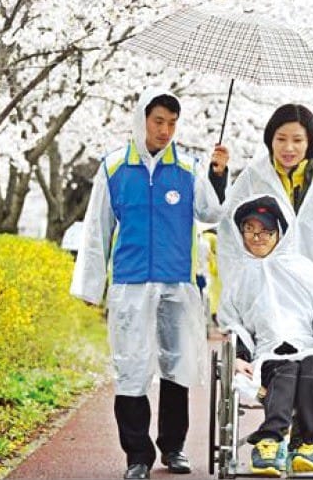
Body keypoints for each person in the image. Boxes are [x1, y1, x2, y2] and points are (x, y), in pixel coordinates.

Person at [70, 87, 229, 480]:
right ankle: (136, 455)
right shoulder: (113, 169)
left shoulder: (189, 169)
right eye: (158, 121)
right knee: (132, 366)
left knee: (178, 365)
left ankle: (172, 448)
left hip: (178, 281)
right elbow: (97, 230)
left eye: (172, 123)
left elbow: (211, 212)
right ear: (141, 120)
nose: (165, 130)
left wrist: (218, 173)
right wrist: (93, 287)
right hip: (131, 282)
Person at [218, 195, 313, 477]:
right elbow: (235, 324)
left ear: (279, 233)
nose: (257, 237)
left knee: (307, 365)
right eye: (250, 230)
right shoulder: (240, 277)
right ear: (241, 233)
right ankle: (271, 440)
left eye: (265, 231)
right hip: (270, 353)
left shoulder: (303, 269)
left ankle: (308, 444)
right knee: (285, 368)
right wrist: (239, 358)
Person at [218, 103, 313, 297]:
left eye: (297, 140)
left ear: (310, 142)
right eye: (281, 139)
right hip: (264, 292)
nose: (288, 148)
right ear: (270, 140)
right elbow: (229, 234)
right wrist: (238, 286)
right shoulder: (253, 177)